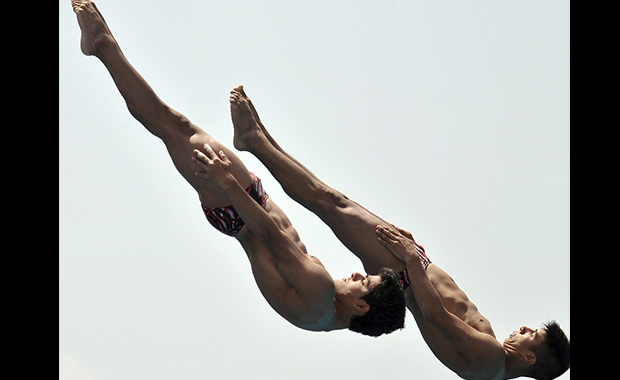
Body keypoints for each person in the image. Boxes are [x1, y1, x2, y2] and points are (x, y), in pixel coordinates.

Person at [70, 0, 406, 337]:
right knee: (171, 126)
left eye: (366, 281)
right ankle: (253, 137)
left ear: (362, 306)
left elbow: (271, 235)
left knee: (170, 124)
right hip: (240, 211)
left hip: (239, 205)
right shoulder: (320, 319)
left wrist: (228, 182)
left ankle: (102, 46)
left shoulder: (320, 292)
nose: (359, 274)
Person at [216, 86, 570, 380]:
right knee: (331, 200)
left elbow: (435, 315)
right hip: (410, 268)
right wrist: (415, 257)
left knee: (330, 202)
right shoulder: (488, 364)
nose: (523, 329)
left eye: (530, 335)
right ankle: (257, 137)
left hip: (405, 272)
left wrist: (412, 259)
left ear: (529, 359)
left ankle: (254, 140)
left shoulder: (491, 358)